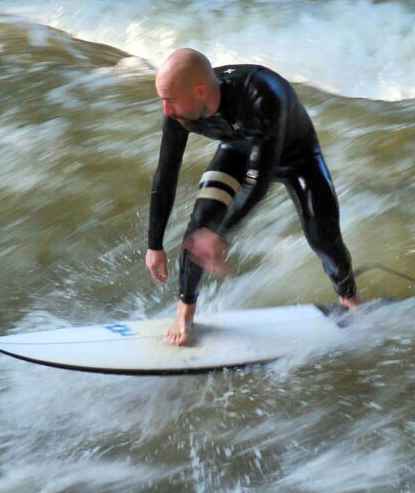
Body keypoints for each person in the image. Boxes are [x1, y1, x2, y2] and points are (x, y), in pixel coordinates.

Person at [145, 48, 360, 346]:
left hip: (298, 159)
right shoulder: (179, 108)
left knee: (323, 238)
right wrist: (154, 244)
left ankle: (350, 298)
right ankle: (185, 308)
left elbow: (258, 181)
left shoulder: (261, 94)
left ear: (200, 91)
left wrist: (220, 233)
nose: (166, 110)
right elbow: (166, 172)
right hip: (237, 152)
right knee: (200, 226)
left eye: (170, 100)